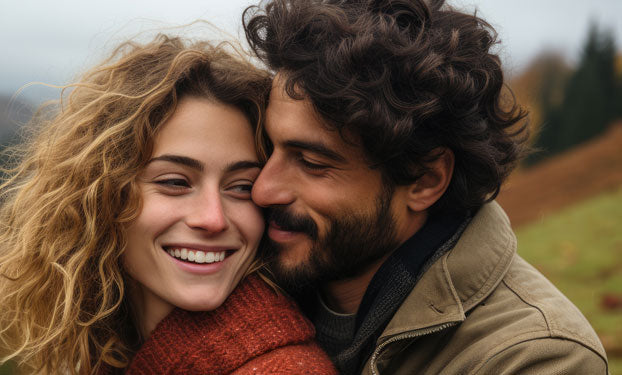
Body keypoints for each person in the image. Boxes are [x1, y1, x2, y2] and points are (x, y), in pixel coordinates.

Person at [242, 0, 609, 374]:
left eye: (312, 163)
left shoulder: (532, 357)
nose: (263, 190)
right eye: (268, 148)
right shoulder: (233, 280)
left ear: (425, 180)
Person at [0, 35, 337, 374]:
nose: (212, 218)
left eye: (240, 187)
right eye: (174, 183)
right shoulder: (117, 355)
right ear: (99, 197)